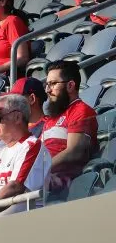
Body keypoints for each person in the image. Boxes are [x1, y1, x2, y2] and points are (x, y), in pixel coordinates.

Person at [40, 60, 98, 191]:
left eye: (53, 84)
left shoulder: (81, 110)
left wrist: (39, 171)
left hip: (61, 185)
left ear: (70, 85)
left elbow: (74, 153)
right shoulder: (52, 118)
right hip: (43, 180)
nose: (48, 90)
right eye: (47, 84)